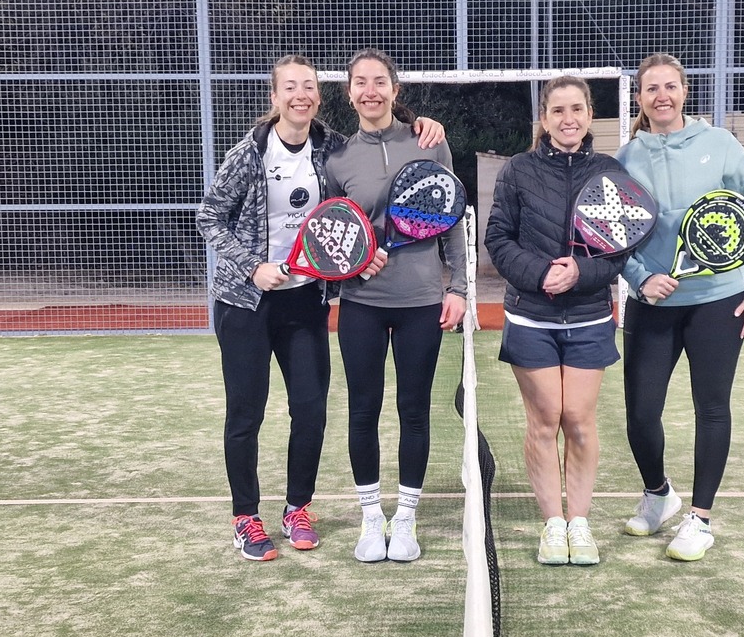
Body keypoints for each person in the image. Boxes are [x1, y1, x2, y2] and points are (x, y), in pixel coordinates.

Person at [195, 54, 444, 562]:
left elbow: (353, 208)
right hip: (245, 301)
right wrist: (252, 266)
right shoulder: (249, 153)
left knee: (310, 410)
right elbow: (210, 217)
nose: (300, 95)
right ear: (275, 96)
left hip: (305, 299)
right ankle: (246, 518)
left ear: (320, 94)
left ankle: (297, 509)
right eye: (290, 87)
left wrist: (421, 122)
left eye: (308, 86)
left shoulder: (331, 148)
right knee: (246, 412)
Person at [616, 53, 744, 561]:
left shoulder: (721, 144)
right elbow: (614, 234)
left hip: (718, 301)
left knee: (712, 407)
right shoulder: (626, 158)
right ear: (639, 98)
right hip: (651, 304)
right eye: (651, 88)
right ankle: (658, 495)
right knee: (641, 413)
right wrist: (641, 278)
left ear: (684, 91)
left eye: (670, 86)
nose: (661, 96)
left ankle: (700, 519)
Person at [328, 48, 469, 564]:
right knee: (363, 410)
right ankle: (371, 519)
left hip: (421, 301)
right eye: (360, 83)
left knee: (414, 410)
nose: (371, 91)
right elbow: (334, 230)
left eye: (379, 81)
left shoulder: (429, 142)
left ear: (395, 89)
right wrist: (351, 267)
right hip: (361, 304)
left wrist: (458, 289)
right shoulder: (337, 159)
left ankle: (405, 519)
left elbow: (450, 216)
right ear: (349, 94)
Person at [484, 76, 631, 566]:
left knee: (580, 421)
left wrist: (580, 273)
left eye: (577, 109)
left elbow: (620, 249)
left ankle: (579, 523)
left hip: (589, 315)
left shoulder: (609, 172)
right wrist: (541, 274)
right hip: (531, 317)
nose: (568, 119)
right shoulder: (518, 170)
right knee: (545, 420)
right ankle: (552, 525)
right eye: (558, 111)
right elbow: (498, 238)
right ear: (544, 119)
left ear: (589, 115)